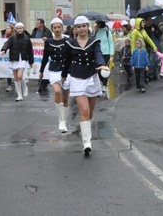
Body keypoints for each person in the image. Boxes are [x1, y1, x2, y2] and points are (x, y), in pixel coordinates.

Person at [61, 15, 109, 155]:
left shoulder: (94, 42)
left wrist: (102, 65)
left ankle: (87, 126)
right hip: (77, 78)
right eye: (79, 26)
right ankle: (87, 142)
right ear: (75, 29)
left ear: (88, 27)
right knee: (84, 110)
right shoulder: (70, 44)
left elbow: (98, 54)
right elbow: (67, 61)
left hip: (92, 77)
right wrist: (64, 75)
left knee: (90, 112)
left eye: (84, 26)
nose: (82, 29)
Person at [39, 18, 71, 133]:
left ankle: (64, 119)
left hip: (67, 70)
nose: (57, 29)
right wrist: (41, 71)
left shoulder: (68, 41)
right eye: (55, 27)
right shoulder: (48, 42)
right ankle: (61, 119)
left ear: (62, 28)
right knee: (57, 92)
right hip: (54, 69)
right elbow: (44, 57)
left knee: (66, 98)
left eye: (59, 27)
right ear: (52, 29)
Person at [0, 22, 34, 101]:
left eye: (20, 28)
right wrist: (4, 50)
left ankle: (25, 87)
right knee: (16, 78)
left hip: (23, 59)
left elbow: (30, 51)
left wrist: (31, 62)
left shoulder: (27, 38)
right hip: (14, 58)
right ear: (15, 29)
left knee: (20, 76)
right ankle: (19, 95)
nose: (19, 30)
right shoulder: (12, 38)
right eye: (17, 28)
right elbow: (7, 44)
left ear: (23, 29)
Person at [94, 21, 114, 91]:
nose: (97, 25)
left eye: (98, 23)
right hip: (98, 53)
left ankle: (105, 84)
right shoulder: (96, 32)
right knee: (99, 70)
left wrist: (111, 53)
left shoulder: (107, 32)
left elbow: (111, 43)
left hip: (106, 53)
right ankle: (102, 82)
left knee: (105, 70)